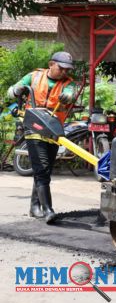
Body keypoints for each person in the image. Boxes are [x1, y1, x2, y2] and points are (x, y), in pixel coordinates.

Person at [7, 51, 77, 224]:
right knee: (42, 168)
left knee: (44, 171)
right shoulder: (34, 76)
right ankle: (47, 209)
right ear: (51, 64)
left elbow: (71, 94)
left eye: (67, 70)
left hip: (53, 129)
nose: (64, 73)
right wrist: (17, 90)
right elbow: (11, 92)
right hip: (34, 126)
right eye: (61, 68)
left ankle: (34, 206)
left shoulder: (68, 83)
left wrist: (68, 96)